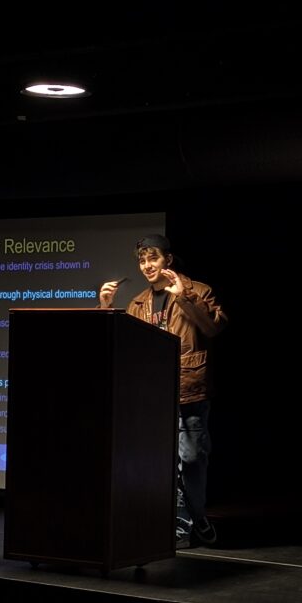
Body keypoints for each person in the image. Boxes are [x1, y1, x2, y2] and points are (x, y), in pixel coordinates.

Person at [98, 234, 227, 547]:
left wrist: (185, 297)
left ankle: (197, 517)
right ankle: (182, 526)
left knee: (192, 460)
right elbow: (121, 346)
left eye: (152, 258)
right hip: (151, 396)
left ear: (168, 259)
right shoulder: (137, 302)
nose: (146, 266)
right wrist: (105, 308)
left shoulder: (198, 290)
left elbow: (214, 328)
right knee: (163, 464)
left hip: (188, 391)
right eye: (142, 261)